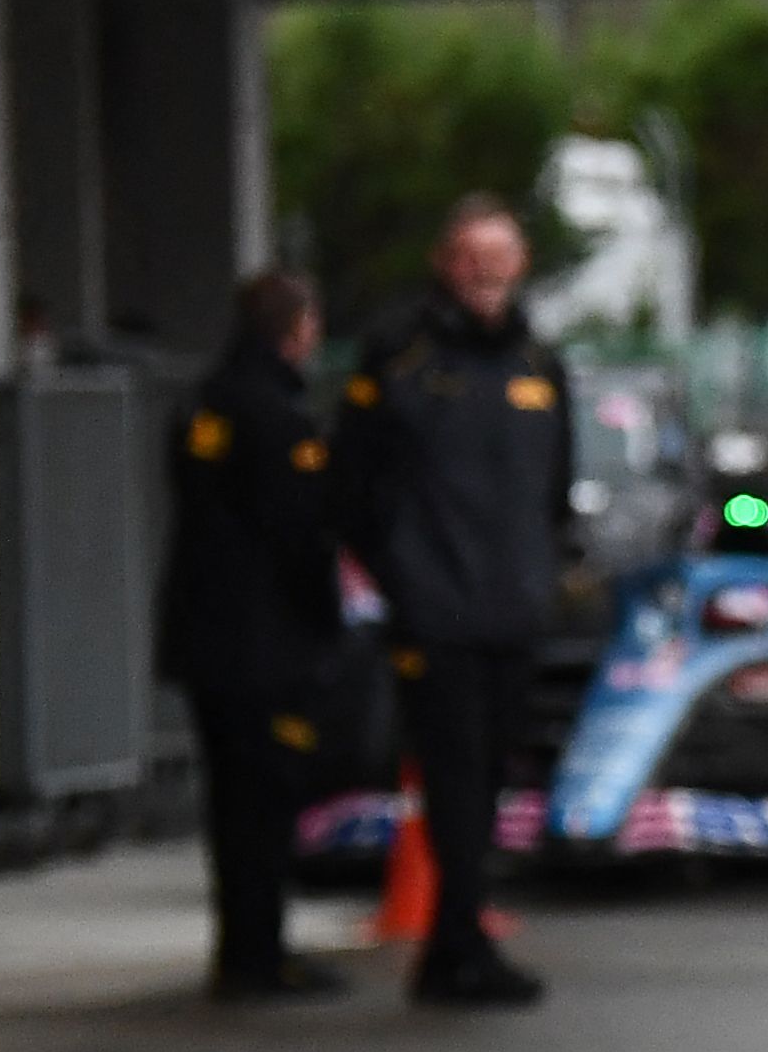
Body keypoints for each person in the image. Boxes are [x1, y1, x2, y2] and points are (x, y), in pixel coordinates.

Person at [332, 197, 573, 1008]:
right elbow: (352, 484)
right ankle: (454, 942)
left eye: (500, 256)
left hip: (512, 608)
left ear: (522, 264)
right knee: (451, 778)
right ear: (445, 262)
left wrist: (542, 575)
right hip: (435, 611)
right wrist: (403, 577)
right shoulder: (399, 354)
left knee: (492, 775)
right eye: (472, 256)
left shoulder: (540, 362)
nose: (486, 272)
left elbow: (555, 490)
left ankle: (458, 939)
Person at [160, 271, 347, 1001]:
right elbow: (299, 533)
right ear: (297, 330)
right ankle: (260, 954)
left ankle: (240, 947)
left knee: (230, 801)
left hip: (206, 635)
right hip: (266, 642)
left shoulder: (203, 402)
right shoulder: (278, 413)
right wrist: (325, 622)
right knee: (266, 802)